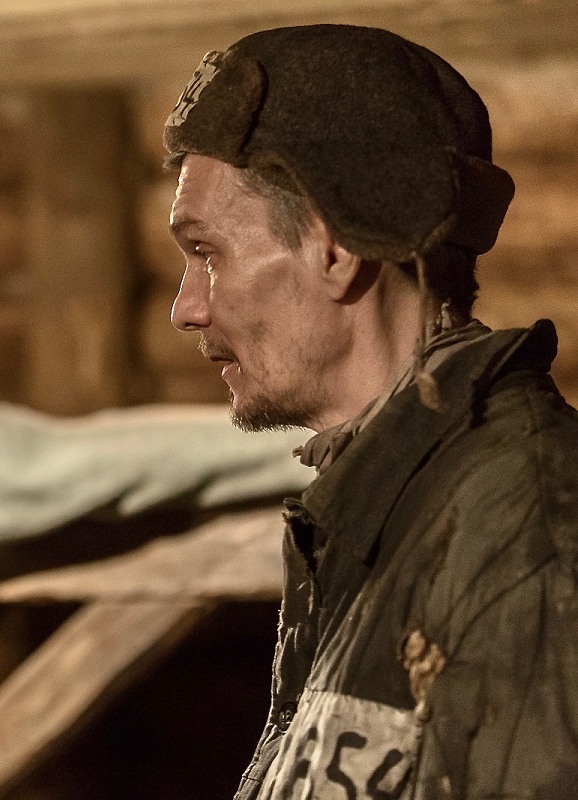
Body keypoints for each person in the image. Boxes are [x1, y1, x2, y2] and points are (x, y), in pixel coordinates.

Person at [165, 25, 578, 800]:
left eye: (208, 253)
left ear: (336, 249)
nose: (185, 309)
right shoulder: (378, 509)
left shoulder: (531, 535)